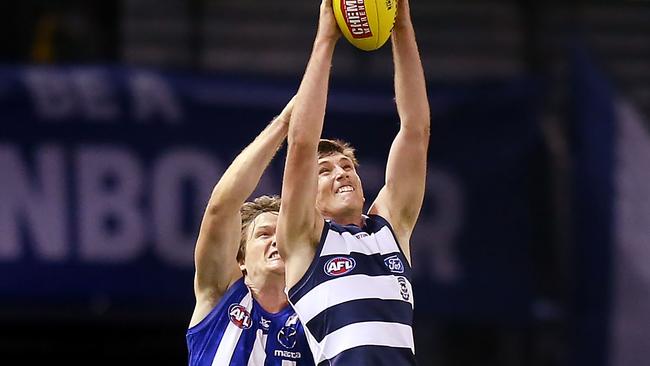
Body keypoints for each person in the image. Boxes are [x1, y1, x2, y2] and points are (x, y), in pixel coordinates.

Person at [276, 0, 430, 364]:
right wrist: (326, 37)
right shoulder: (303, 240)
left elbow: (415, 131)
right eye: (325, 171)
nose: (342, 172)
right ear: (308, 196)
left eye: (346, 165)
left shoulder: (390, 229)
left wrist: (403, 29)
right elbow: (300, 145)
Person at [186, 96, 314, 366]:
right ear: (240, 260)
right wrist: (283, 124)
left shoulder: (315, 318)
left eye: (282, 234)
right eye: (264, 234)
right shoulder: (219, 294)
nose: (277, 240)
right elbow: (222, 208)